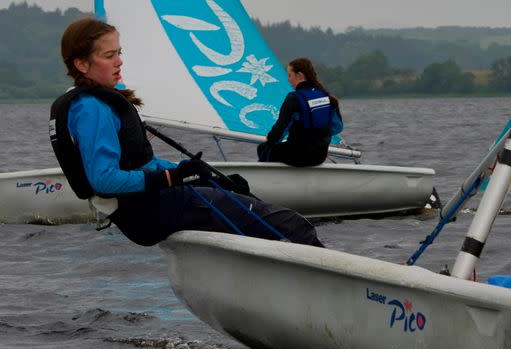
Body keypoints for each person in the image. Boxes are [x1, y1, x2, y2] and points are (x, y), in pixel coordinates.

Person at [49, 18, 323, 247]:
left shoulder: (95, 101)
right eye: (109, 56)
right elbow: (104, 180)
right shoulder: (91, 108)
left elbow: (141, 165)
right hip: (149, 211)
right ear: (81, 65)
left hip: (147, 209)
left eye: (120, 52)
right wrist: (172, 176)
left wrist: (193, 172)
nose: (119, 61)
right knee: (294, 225)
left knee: (244, 200)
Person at [257, 57, 343, 167]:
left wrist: (270, 137)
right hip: (319, 156)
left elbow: (278, 134)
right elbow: (337, 127)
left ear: (300, 75)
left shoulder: (293, 98)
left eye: (290, 75)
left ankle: (269, 180)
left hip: (299, 156)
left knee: (264, 148)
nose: (288, 79)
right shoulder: (325, 96)